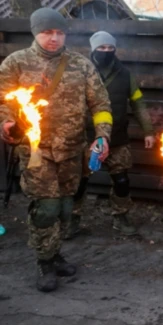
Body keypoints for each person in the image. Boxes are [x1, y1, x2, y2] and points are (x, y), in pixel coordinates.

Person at [0, 8, 112, 292]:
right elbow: (3, 100)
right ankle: (45, 262)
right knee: (46, 208)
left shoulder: (81, 65)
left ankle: (55, 252)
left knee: (64, 206)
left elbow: (100, 104)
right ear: (35, 32)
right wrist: (6, 122)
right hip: (37, 150)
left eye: (59, 33)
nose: (54, 38)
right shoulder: (16, 63)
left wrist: (102, 136)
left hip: (72, 150)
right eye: (47, 32)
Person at [65, 31, 156, 239]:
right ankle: (73, 219)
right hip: (86, 138)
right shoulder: (80, 72)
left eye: (110, 48)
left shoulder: (125, 74)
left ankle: (121, 216)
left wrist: (148, 131)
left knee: (122, 180)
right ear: (93, 49)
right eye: (101, 48)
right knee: (79, 181)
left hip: (117, 138)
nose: (106, 51)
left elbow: (139, 105)